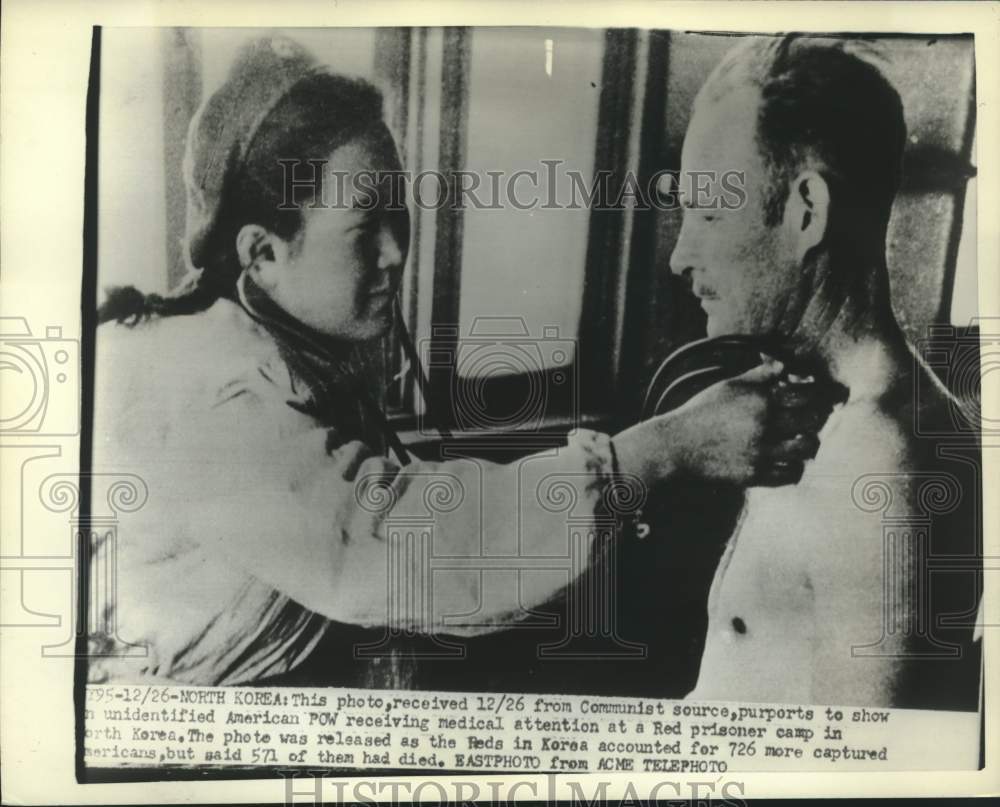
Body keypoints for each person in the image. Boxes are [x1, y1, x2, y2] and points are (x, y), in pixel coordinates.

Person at [88, 35, 829, 687]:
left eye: (398, 212)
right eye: (364, 229)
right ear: (263, 252)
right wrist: (662, 449)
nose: (396, 252)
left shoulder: (278, 334)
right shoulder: (210, 397)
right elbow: (407, 547)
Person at [670, 34, 980, 709]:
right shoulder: (823, 411)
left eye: (710, 211)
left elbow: (860, 759)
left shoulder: (879, 463)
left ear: (806, 212)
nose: (680, 257)